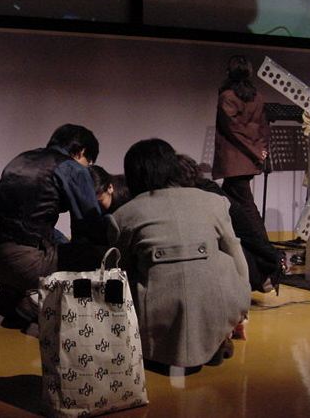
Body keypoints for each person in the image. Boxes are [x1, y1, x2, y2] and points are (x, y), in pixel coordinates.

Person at [112, 138, 251, 369]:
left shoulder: (125, 215)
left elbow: (118, 273)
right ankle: (215, 340)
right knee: (222, 256)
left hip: (152, 325)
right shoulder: (214, 202)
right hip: (218, 311)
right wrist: (242, 305)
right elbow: (237, 256)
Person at [0, 124, 109, 325]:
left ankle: (8, 302)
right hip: (23, 263)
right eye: (88, 162)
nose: (87, 168)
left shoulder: (21, 159)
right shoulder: (71, 167)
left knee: (55, 237)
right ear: (82, 151)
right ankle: (33, 306)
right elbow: (91, 227)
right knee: (96, 253)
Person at [177, 153, 285, 294]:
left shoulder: (208, 193)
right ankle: (263, 271)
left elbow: (244, 229)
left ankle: (263, 271)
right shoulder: (207, 192)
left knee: (237, 234)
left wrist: (272, 257)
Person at [212, 55, 270, 241]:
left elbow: (234, 130)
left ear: (229, 72)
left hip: (235, 161)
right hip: (248, 160)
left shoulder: (227, 97)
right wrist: (261, 150)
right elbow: (263, 128)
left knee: (246, 206)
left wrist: (257, 151)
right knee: (228, 202)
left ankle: (267, 249)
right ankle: (237, 243)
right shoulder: (257, 97)